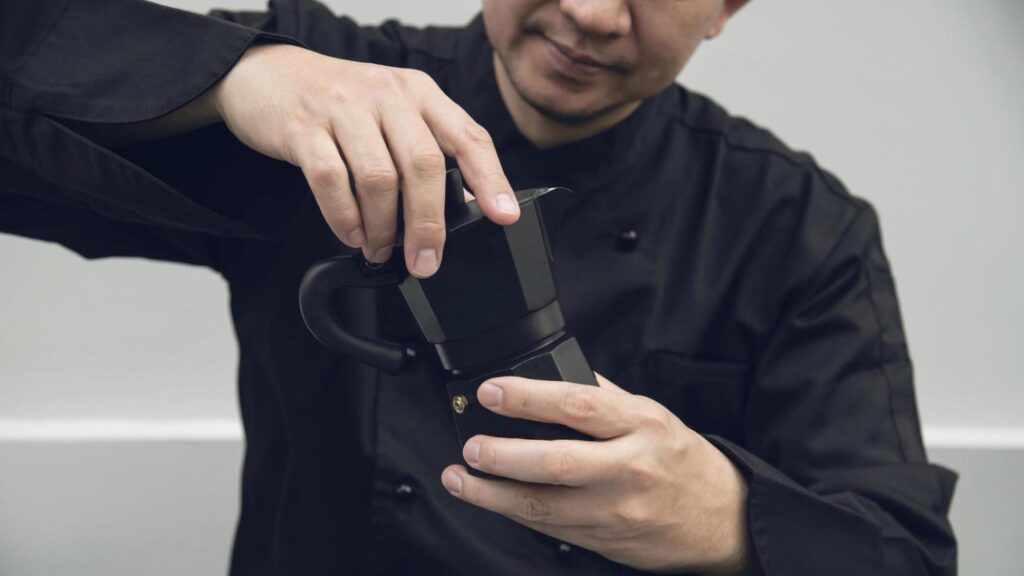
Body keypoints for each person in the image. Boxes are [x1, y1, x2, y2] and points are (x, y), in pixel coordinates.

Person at [0, 0, 957, 574]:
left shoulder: (796, 225)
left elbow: (905, 556)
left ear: (727, 7)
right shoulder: (328, 96)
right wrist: (234, 76)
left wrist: (731, 521)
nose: (589, 12)